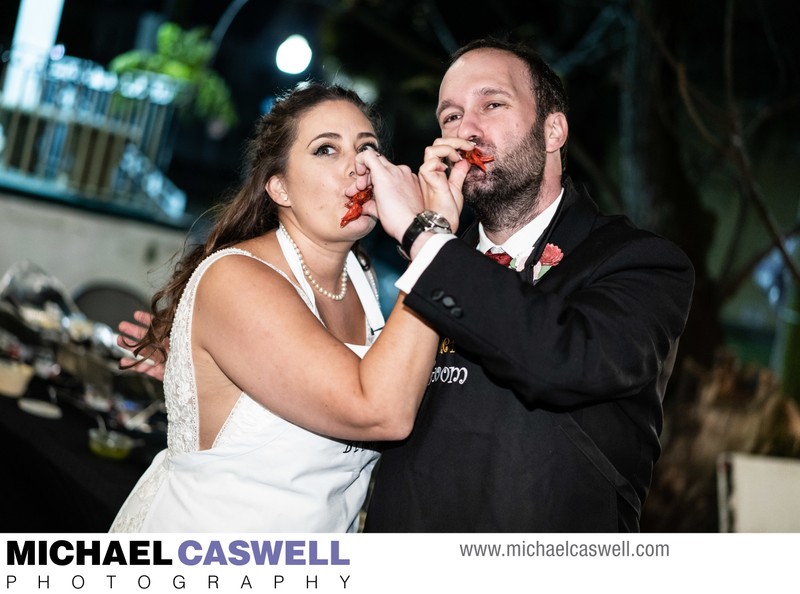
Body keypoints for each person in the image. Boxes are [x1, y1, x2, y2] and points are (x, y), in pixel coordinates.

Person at [350, 37, 695, 532]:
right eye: (450, 116)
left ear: (553, 130)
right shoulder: (432, 263)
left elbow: (565, 360)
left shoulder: (642, 262)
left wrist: (423, 236)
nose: (466, 129)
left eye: (492, 104)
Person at [109, 82, 441, 532]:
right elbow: (379, 409)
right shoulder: (236, 280)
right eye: (326, 150)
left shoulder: (362, 279)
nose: (360, 169)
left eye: (368, 150)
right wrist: (432, 243)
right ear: (280, 187)